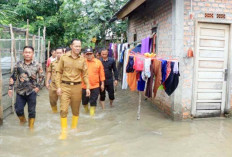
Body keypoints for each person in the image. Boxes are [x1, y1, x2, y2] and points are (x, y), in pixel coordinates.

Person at [56, 39, 90, 140]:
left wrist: (88, 87)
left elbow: (85, 75)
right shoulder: (63, 57)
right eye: (76, 46)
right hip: (65, 86)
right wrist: (58, 86)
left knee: (75, 109)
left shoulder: (82, 59)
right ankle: (64, 132)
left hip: (77, 87)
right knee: (63, 109)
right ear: (71, 46)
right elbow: (58, 72)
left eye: (79, 46)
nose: (78, 48)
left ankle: (74, 127)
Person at [8, 46, 44, 130]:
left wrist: (38, 87)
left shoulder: (37, 64)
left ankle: (31, 127)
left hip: (32, 92)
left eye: (29, 52)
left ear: (33, 54)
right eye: (26, 52)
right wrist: (10, 88)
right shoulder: (18, 65)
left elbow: (42, 77)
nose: (27, 54)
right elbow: (13, 77)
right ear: (23, 53)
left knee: (31, 111)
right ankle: (23, 120)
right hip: (20, 92)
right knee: (18, 110)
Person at [82, 48, 105, 117]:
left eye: (90, 54)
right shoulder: (82, 62)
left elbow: (101, 74)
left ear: (93, 54)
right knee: (84, 101)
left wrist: (102, 84)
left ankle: (91, 116)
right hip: (84, 86)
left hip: (95, 85)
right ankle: (86, 111)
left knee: (93, 101)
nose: (89, 56)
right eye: (87, 54)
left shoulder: (98, 62)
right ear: (85, 55)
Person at [46, 47, 64, 113]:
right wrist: (47, 82)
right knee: (52, 101)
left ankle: (63, 115)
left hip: (63, 84)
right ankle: (55, 112)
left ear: (63, 53)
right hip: (53, 84)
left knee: (63, 102)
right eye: (57, 53)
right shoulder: (52, 63)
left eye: (60, 53)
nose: (59, 54)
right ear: (55, 54)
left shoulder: (66, 63)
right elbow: (49, 72)